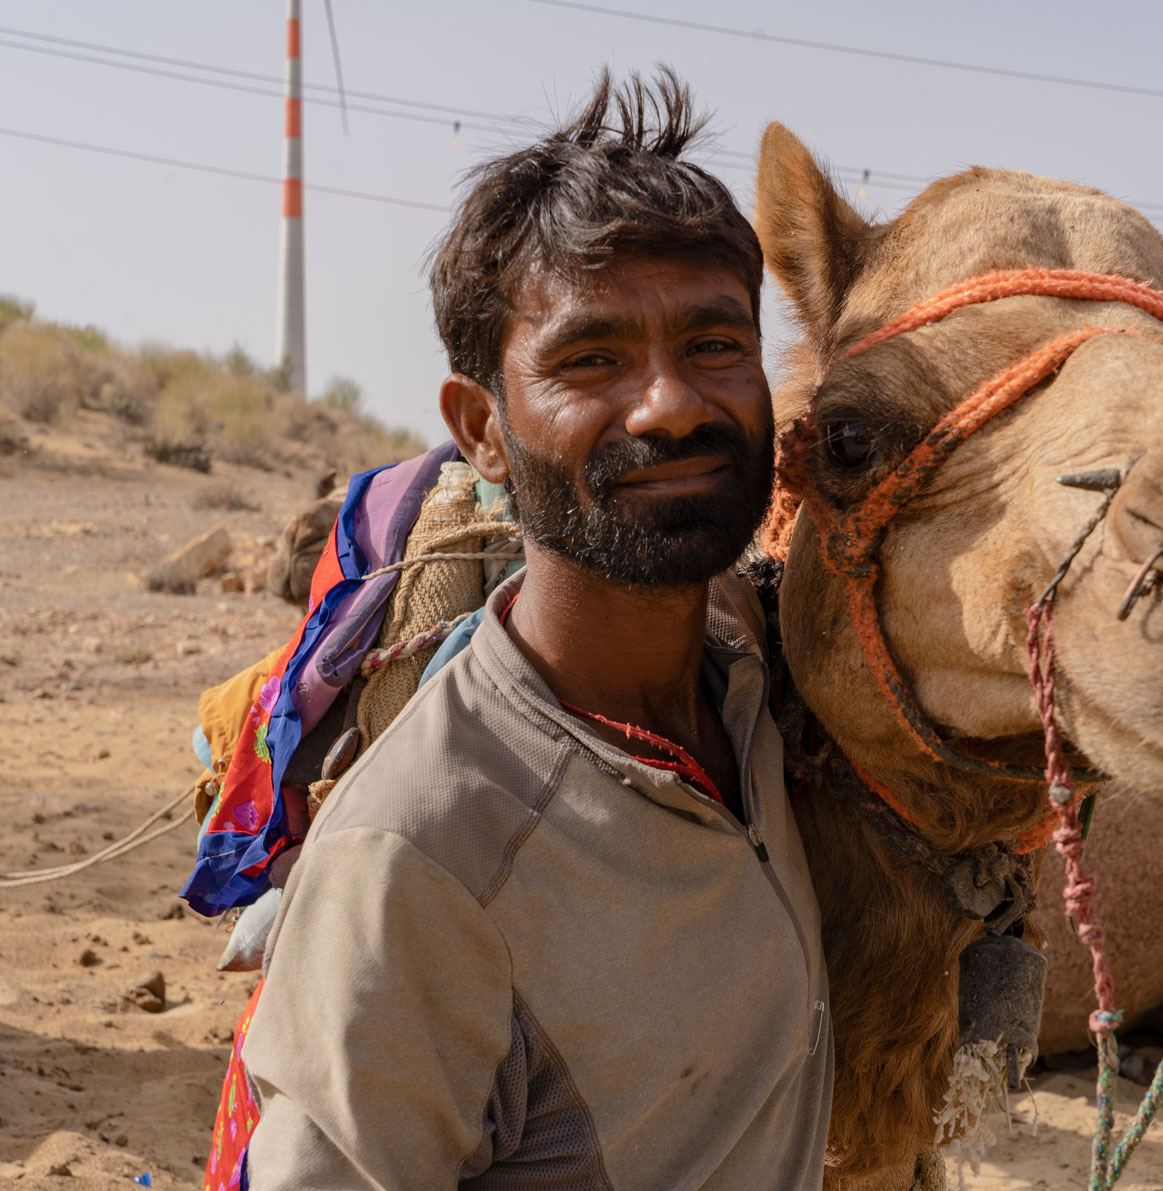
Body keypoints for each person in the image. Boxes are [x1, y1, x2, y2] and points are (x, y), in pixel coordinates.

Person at [237, 69, 833, 1188]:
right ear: (484, 431)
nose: (671, 404)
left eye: (714, 344)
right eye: (590, 361)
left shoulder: (751, 692)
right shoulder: (421, 856)